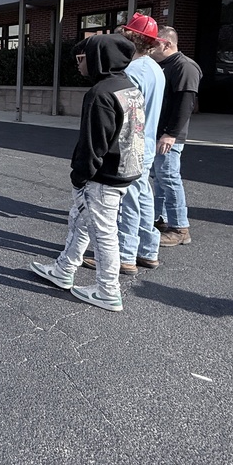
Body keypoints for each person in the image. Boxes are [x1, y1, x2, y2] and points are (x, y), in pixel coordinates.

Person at [30, 33, 145, 312]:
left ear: (97, 57)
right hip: (126, 169)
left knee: (103, 233)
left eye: (82, 59)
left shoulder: (99, 93)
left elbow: (94, 143)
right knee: (80, 219)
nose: (79, 65)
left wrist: (79, 176)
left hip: (103, 176)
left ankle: (108, 291)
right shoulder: (128, 86)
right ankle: (63, 269)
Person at [81, 14, 165, 275]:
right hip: (147, 143)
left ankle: (126, 254)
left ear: (130, 38)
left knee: (127, 202)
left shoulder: (132, 71)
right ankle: (148, 250)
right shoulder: (155, 68)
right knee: (143, 197)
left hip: (130, 146)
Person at [150, 26, 202, 247]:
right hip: (159, 133)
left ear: (167, 44)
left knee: (169, 178)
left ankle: (180, 227)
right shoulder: (163, 66)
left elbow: (185, 104)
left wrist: (171, 134)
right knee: (160, 177)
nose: (150, 48)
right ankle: (159, 218)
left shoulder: (184, 67)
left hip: (169, 136)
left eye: (154, 44)